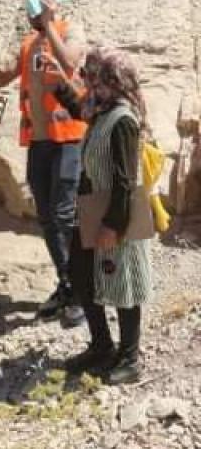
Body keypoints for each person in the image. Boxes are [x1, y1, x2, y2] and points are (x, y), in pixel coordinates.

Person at [0, 0, 87, 326]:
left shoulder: (70, 31)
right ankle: (67, 283)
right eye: (29, 6)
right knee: (48, 216)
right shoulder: (29, 43)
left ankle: (80, 290)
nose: (31, 12)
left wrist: (50, 23)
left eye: (37, 6)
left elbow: (70, 62)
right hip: (39, 141)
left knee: (64, 215)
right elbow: (2, 76)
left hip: (68, 138)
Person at [64, 46, 154, 385]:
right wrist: (58, 85)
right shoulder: (103, 111)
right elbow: (79, 108)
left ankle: (130, 358)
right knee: (82, 274)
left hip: (116, 214)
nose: (89, 84)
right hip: (93, 209)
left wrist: (112, 225)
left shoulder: (123, 120)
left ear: (112, 81)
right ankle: (101, 345)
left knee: (123, 281)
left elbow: (124, 179)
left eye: (95, 78)